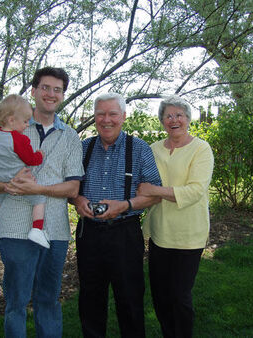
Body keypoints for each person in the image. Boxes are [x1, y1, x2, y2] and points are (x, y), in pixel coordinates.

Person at [0, 67, 84, 337]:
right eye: (45, 88)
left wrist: (38, 188)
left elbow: (73, 187)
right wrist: (8, 186)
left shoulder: (70, 136)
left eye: (57, 89)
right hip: (14, 229)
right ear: (34, 91)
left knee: (48, 300)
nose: (51, 94)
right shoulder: (10, 128)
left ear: (62, 95)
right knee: (16, 302)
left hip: (55, 231)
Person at [71, 92, 161, 338]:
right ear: (94, 117)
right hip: (89, 233)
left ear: (123, 116)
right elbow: (70, 189)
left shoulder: (139, 148)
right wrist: (78, 199)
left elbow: (154, 193)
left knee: (130, 298)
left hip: (125, 232)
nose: (106, 120)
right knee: (90, 297)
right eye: (101, 114)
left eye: (112, 114)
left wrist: (125, 205)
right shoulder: (83, 148)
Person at [137, 95, 214, 338]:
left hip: (188, 234)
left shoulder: (201, 149)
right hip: (160, 232)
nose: (174, 120)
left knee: (180, 296)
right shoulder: (153, 149)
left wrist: (156, 191)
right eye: (168, 115)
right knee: (160, 296)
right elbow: (142, 184)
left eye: (179, 115)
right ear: (161, 121)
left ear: (188, 119)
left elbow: (195, 190)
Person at [0, 94, 49, 248]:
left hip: (0, 175)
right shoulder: (19, 139)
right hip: (20, 177)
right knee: (39, 200)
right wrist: (40, 155)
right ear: (11, 120)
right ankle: (37, 229)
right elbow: (30, 159)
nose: (27, 125)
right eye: (25, 121)